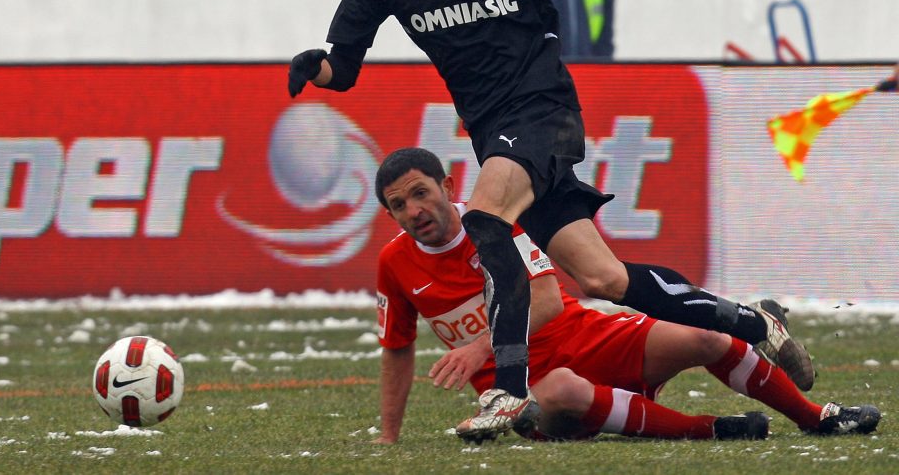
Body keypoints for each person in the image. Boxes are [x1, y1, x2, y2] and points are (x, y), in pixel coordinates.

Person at [287, 0, 812, 442]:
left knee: (484, 220)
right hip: (496, 133)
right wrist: (314, 69)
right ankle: (754, 324)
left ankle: (508, 390)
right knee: (603, 280)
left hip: (542, 108)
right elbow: (344, 65)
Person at [373, 148, 880, 444]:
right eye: (399, 205)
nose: (414, 209)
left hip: (585, 336)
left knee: (703, 339)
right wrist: (390, 439)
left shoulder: (491, 224)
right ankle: (712, 429)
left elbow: (547, 301)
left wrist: (480, 346)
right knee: (565, 389)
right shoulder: (394, 264)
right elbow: (396, 347)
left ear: (446, 184)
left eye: (421, 193)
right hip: (529, 394)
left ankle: (818, 418)